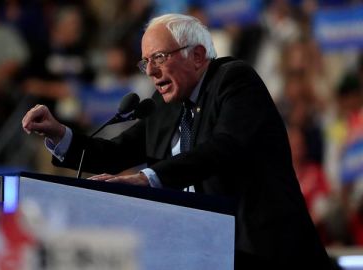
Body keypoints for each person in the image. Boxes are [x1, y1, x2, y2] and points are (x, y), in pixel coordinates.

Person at [22, 14, 331, 269]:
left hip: (265, 253)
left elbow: (223, 148)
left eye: (159, 57)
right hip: (200, 255)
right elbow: (112, 154)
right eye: (145, 63)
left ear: (197, 55)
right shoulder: (164, 107)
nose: (151, 71)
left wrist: (147, 180)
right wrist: (58, 133)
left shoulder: (234, 80)